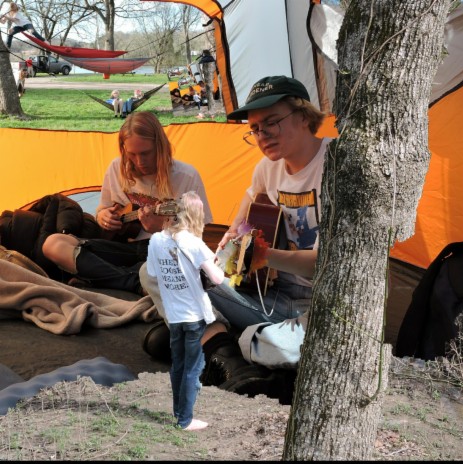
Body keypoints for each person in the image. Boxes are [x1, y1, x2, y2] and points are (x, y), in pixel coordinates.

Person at [141, 75, 331, 404]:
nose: (262, 135)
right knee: (155, 269)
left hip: (318, 307)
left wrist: (263, 256)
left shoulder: (336, 166)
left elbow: (328, 266)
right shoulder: (267, 171)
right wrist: (218, 257)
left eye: (271, 122)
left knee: (259, 343)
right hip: (270, 295)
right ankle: (219, 348)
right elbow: (236, 231)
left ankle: (207, 339)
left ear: (303, 115)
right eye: (254, 128)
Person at [42, 111, 213, 295]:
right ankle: (135, 283)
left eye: (146, 153)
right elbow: (102, 209)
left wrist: (162, 229)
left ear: (160, 146)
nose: (140, 161)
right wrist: (103, 217)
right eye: (132, 154)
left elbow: (197, 241)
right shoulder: (117, 168)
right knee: (52, 244)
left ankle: (105, 277)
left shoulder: (186, 176)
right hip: (123, 249)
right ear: (123, 149)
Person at [147, 191, 224, 431]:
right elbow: (218, 279)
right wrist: (212, 262)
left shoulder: (157, 241)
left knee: (178, 365)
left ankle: (178, 412)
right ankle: (185, 420)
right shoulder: (193, 242)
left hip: (173, 314)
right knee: (194, 368)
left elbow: (151, 273)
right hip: (193, 314)